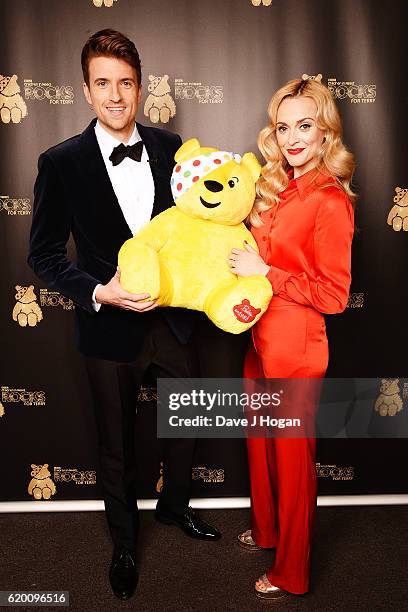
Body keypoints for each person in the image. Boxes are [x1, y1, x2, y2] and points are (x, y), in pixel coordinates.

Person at [28, 29, 248, 601]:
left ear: (140, 86)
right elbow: (44, 255)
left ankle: (176, 507)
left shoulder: (175, 147)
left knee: (189, 424)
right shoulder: (60, 163)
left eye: (126, 83)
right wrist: (101, 290)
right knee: (117, 445)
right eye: (103, 83)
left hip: (173, 321)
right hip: (107, 326)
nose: (117, 95)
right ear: (86, 90)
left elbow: (205, 223)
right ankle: (124, 543)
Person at [228, 77, 355, 600]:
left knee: (293, 463)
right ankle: (268, 531)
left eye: (305, 125)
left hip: (297, 352)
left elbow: (333, 295)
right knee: (260, 449)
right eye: (283, 127)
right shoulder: (277, 186)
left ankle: (291, 572)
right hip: (259, 340)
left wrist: (266, 271)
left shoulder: (330, 201)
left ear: (325, 131)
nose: (292, 138)